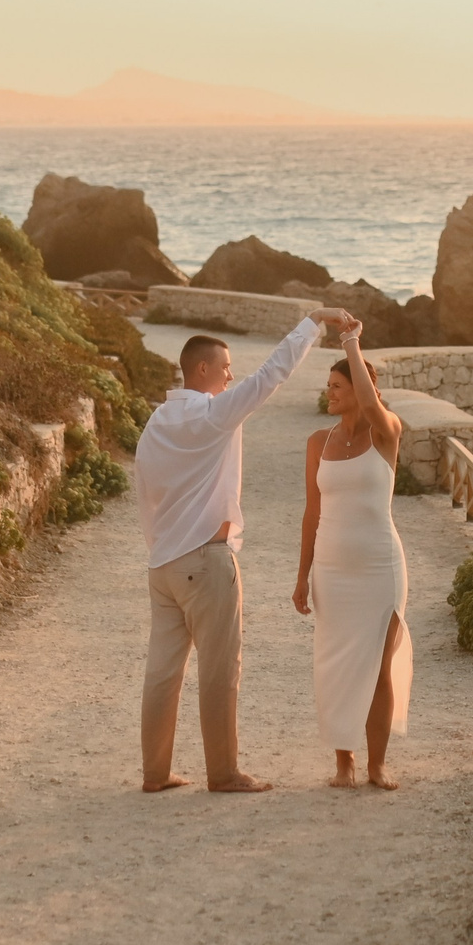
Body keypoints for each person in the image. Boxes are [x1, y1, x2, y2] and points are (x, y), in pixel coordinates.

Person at [135, 305, 353, 793]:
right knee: (220, 670)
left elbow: (144, 491)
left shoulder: (156, 421)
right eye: (226, 367)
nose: (233, 374)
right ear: (203, 370)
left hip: (163, 564)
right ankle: (224, 773)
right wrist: (314, 321)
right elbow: (271, 374)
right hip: (205, 563)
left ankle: (154, 773)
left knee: (162, 672)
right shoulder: (213, 413)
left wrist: (159, 546)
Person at [291, 322, 411, 789]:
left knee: (378, 669)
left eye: (338, 387)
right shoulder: (317, 443)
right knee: (336, 664)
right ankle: (344, 764)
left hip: (382, 568)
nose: (329, 395)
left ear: (363, 389)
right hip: (332, 572)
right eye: (328, 388)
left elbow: (371, 402)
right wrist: (301, 577)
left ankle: (377, 765)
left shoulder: (387, 434)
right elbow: (311, 514)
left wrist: (351, 342)